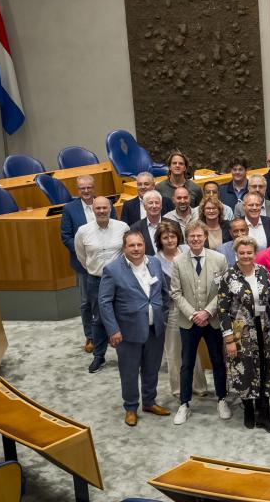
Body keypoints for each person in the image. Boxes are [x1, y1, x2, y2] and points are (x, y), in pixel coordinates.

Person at [98, 231, 171, 426]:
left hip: (155, 328)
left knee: (152, 368)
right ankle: (131, 407)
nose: (136, 249)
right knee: (129, 371)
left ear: (144, 245)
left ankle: (149, 402)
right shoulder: (112, 270)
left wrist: (163, 317)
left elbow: (164, 292)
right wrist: (113, 330)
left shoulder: (154, 263)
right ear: (124, 248)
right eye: (132, 246)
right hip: (127, 330)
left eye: (139, 244)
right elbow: (104, 302)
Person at [171, 221, 231, 425]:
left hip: (213, 320)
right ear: (186, 239)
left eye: (199, 236)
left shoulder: (220, 259)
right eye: (191, 236)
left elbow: (224, 290)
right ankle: (184, 403)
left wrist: (207, 312)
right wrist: (193, 314)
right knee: (186, 363)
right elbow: (176, 293)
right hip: (188, 322)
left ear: (205, 237)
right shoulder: (178, 261)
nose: (195, 239)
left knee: (217, 361)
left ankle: (222, 399)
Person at [219, 236, 270, 434]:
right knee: (244, 372)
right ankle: (248, 411)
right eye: (242, 252)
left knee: (265, 370)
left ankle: (264, 415)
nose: (246, 256)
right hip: (240, 333)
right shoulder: (229, 276)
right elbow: (222, 310)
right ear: (236, 253)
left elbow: (266, 300)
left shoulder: (262, 272)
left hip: (264, 330)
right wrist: (229, 339)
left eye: (249, 252)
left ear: (255, 253)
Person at [154, 221, 208, 400]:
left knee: (193, 349)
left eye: (173, 236)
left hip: (196, 307)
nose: (170, 240)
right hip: (173, 310)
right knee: (174, 351)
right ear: (160, 240)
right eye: (165, 237)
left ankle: (199, 386)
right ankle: (178, 389)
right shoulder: (155, 260)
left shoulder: (187, 250)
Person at [75, 196, 129, 372]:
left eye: (105, 208)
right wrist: (94, 269)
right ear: (93, 210)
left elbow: (127, 253)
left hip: (120, 280)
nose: (101, 211)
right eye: (98, 208)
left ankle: (126, 355)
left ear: (111, 208)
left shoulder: (123, 228)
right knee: (98, 318)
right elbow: (82, 256)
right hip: (96, 280)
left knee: (123, 316)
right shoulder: (83, 231)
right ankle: (99, 356)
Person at [62, 176, 114, 354]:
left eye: (89, 187)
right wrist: (84, 253)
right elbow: (66, 236)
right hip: (84, 263)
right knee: (87, 302)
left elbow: (113, 229)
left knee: (109, 299)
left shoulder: (104, 204)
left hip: (108, 265)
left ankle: (109, 332)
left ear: (94, 187)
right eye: (82, 188)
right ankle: (90, 336)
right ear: (77, 189)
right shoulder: (70, 209)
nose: (85, 191)